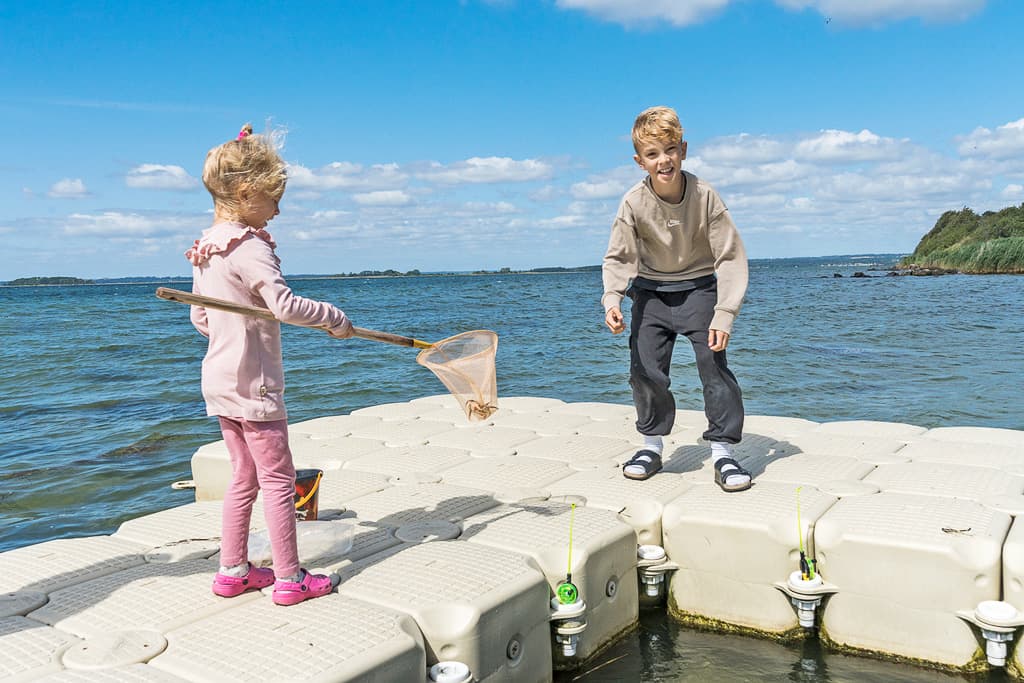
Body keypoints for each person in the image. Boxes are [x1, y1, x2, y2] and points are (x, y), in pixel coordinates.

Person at [186, 123, 354, 605]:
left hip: (218, 380)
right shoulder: (250, 245)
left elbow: (201, 316)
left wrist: (230, 331)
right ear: (245, 193)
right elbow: (282, 305)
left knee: (243, 476)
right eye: (274, 198)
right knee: (279, 480)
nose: (278, 210)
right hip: (254, 386)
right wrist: (333, 319)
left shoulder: (206, 247)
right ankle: (289, 579)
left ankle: (232, 571)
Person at [601, 106, 751, 492]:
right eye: (653, 154)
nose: (663, 160)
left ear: (683, 149)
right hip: (650, 293)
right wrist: (613, 299)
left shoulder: (705, 196)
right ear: (640, 161)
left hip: (700, 289)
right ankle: (651, 446)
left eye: (670, 149)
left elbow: (730, 257)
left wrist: (724, 313)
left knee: (713, 368)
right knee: (645, 371)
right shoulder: (633, 202)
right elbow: (619, 256)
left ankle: (723, 452)